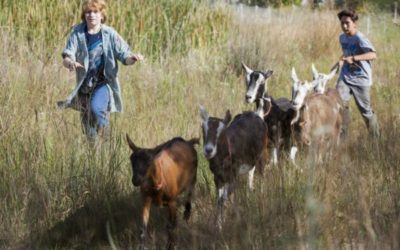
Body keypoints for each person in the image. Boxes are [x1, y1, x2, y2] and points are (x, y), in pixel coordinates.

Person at [58, 0, 143, 143]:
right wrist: (71, 63)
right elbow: (67, 55)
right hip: (83, 85)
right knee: (88, 130)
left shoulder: (109, 34)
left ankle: (108, 140)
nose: (91, 15)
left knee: (96, 109)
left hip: (103, 83)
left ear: (101, 14)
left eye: (95, 12)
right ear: (84, 14)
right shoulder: (78, 32)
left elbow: (124, 55)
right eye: (88, 12)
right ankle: (95, 158)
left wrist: (132, 58)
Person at [336, 9, 379, 138]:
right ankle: (342, 137)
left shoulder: (360, 38)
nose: (344, 26)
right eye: (342, 23)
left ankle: (376, 139)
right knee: (338, 105)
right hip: (345, 77)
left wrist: (354, 58)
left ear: (354, 23)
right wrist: (340, 60)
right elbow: (347, 52)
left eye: (347, 23)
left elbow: (373, 54)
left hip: (361, 80)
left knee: (365, 111)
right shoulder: (342, 37)